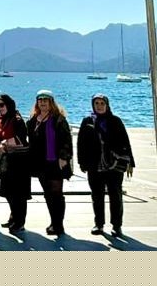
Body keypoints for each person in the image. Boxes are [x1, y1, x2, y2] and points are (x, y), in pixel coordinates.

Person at [77, 93, 135, 237]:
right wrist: (82, 162)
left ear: (107, 105)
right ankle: (99, 224)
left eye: (102, 103)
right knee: (97, 195)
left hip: (114, 165)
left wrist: (130, 162)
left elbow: (125, 142)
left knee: (115, 195)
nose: (99, 106)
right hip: (94, 165)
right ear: (93, 105)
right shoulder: (87, 121)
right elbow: (80, 143)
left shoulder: (115, 121)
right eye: (96, 103)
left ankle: (116, 225)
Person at [27, 89, 73, 236]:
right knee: (47, 194)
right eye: (40, 100)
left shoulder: (58, 119)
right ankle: (53, 221)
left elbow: (66, 140)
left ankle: (59, 224)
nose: (43, 102)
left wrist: (64, 158)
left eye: (45, 100)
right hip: (40, 164)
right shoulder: (33, 120)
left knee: (57, 194)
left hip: (55, 163)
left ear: (51, 102)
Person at [0, 93, 31, 234]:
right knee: (8, 193)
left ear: (9, 104)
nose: (0, 107)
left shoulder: (17, 119)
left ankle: (20, 221)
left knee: (19, 194)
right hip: (6, 161)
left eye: (2, 104)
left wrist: (4, 143)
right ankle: (13, 216)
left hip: (19, 161)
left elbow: (21, 138)